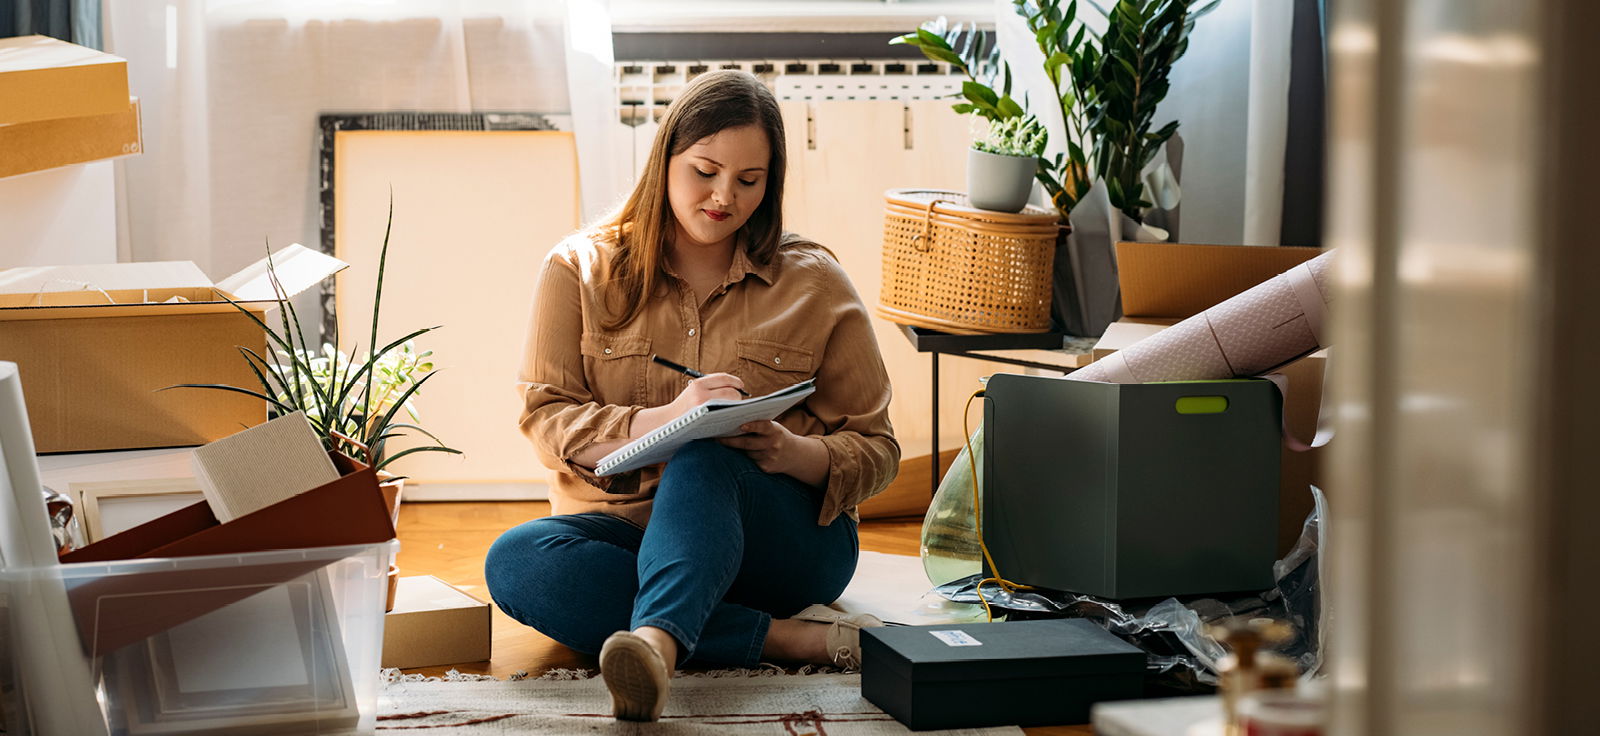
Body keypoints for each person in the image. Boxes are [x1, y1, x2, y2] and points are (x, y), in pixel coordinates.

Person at [485, 69, 900, 722]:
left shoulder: (814, 283)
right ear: (666, 158)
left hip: (781, 546)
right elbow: (545, 418)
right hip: (631, 536)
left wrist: (792, 452)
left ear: (771, 182)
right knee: (515, 562)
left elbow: (877, 448)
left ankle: (654, 644)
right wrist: (666, 417)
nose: (722, 197)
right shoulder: (576, 271)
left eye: (748, 181)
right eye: (705, 171)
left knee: (706, 457)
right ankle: (789, 639)